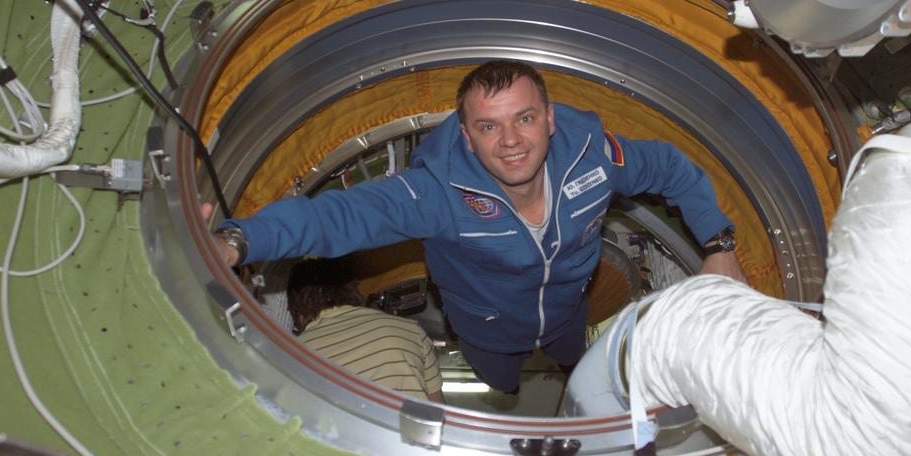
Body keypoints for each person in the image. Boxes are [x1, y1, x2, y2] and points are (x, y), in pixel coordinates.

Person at [211, 60, 744, 393]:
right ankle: (507, 393)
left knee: (578, 365)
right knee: (502, 386)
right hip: (485, 330)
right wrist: (240, 239)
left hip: (568, 311)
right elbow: (339, 215)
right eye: (489, 126)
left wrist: (718, 244)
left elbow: (674, 169)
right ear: (466, 136)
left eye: (524, 119)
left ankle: (569, 371)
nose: (510, 140)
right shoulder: (438, 192)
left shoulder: (596, 157)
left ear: (550, 118)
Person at [286, 257, 444, 403]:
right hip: (409, 432)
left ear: (298, 311)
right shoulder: (410, 330)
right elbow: (438, 409)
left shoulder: (293, 354)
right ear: (353, 289)